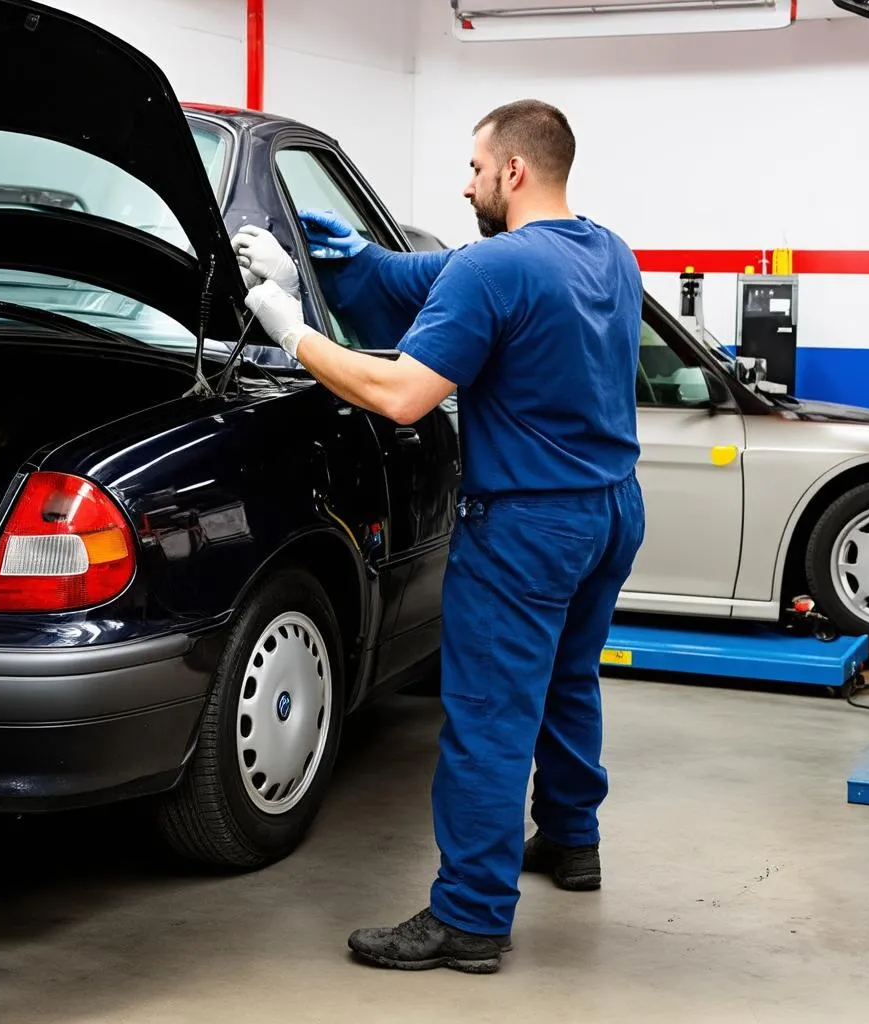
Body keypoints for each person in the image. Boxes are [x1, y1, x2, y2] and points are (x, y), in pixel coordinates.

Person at [239, 98, 646, 975]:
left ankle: (468, 917)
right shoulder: (608, 250)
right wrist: (347, 261)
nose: (463, 183)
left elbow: (400, 396)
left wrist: (295, 330)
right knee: (569, 682)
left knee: (489, 718)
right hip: (610, 512)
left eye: (472, 168)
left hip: (529, 526)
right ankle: (573, 842)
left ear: (513, 172)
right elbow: (443, 279)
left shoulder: (494, 270)